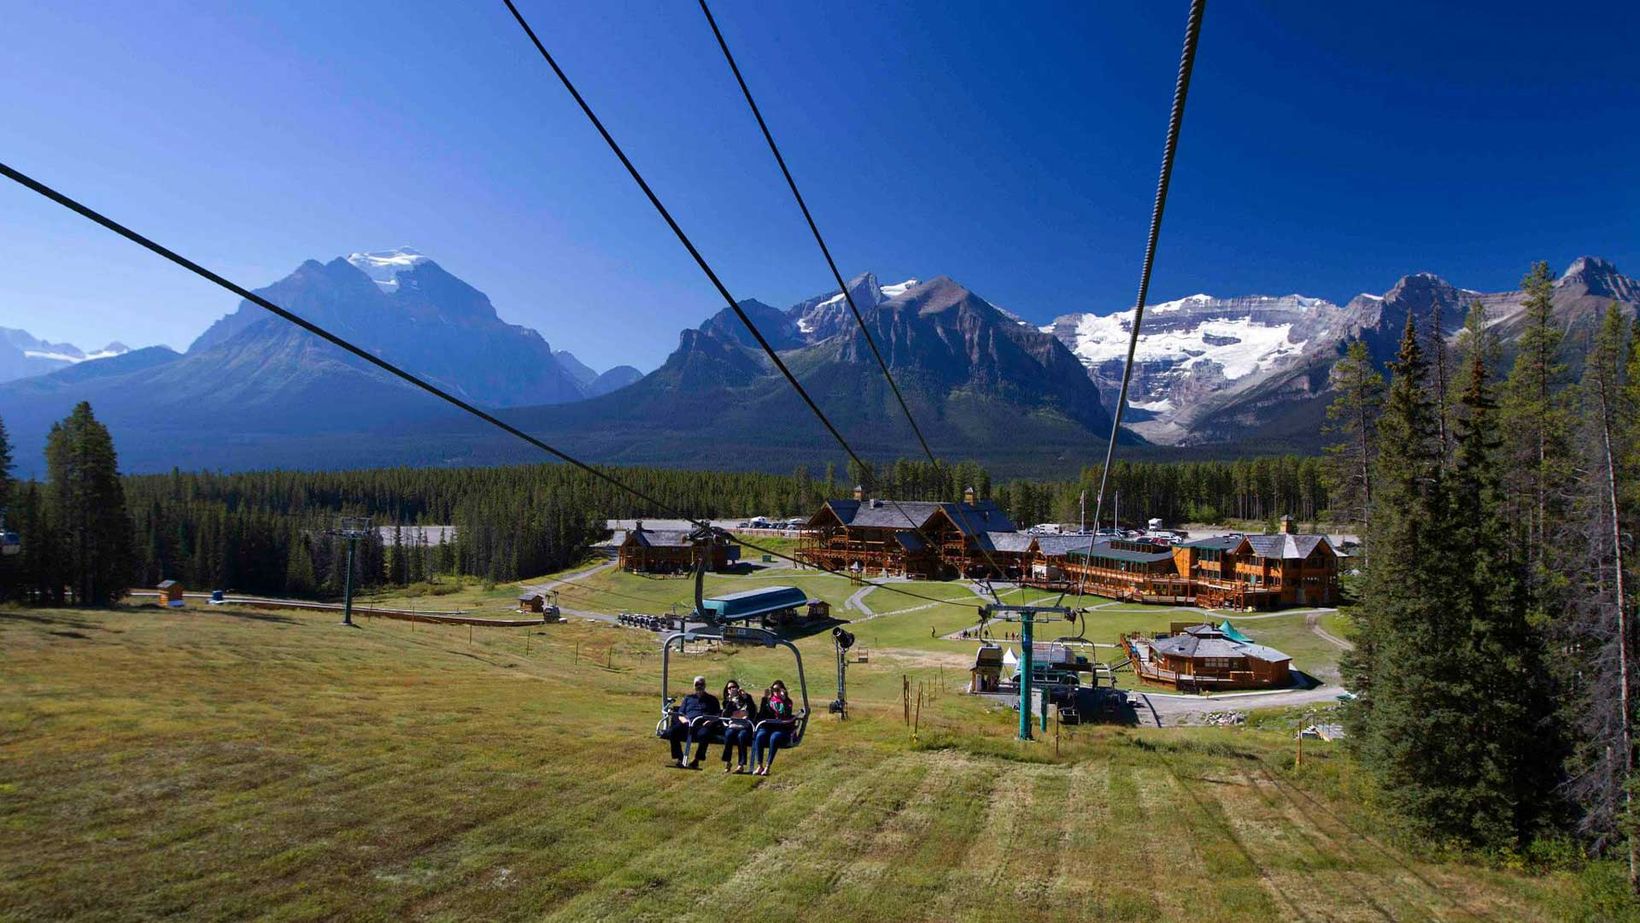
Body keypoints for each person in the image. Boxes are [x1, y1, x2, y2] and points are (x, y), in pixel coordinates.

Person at [668, 675, 720, 769]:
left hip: (702, 725)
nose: (699, 686)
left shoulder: (712, 700)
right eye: (697, 684)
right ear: (694, 686)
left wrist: (710, 721)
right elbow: (680, 713)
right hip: (688, 723)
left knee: (704, 735)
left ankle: (697, 760)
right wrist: (684, 720)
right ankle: (680, 758)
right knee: (673, 731)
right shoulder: (688, 698)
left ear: (705, 685)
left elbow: (717, 715)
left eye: (701, 684)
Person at [751, 679, 796, 776]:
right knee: (760, 736)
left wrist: (783, 700)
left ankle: (767, 766)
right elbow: (762, 714)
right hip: (769, 726)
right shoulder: (769, 701)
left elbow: (786, 714)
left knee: (774, 738)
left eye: (778, 690)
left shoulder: (787, 702)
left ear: (783, 690)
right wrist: (764, 699)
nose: (776, 692)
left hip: (781, 728)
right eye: (773, 689)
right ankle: (759, 765)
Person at [718, 680, 756, 773]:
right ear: (727, 690)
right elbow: (726, 714)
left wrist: (745, 697)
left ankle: (741, 764)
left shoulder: (746, 698)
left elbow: (753, 711)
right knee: (729, 735)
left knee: (741, 736)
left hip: (744, 726)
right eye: (729, 688)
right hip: (733, 725)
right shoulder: (727, 701)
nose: (732, 689)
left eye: (734, 687)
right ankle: (728, 761)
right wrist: (730, 701)